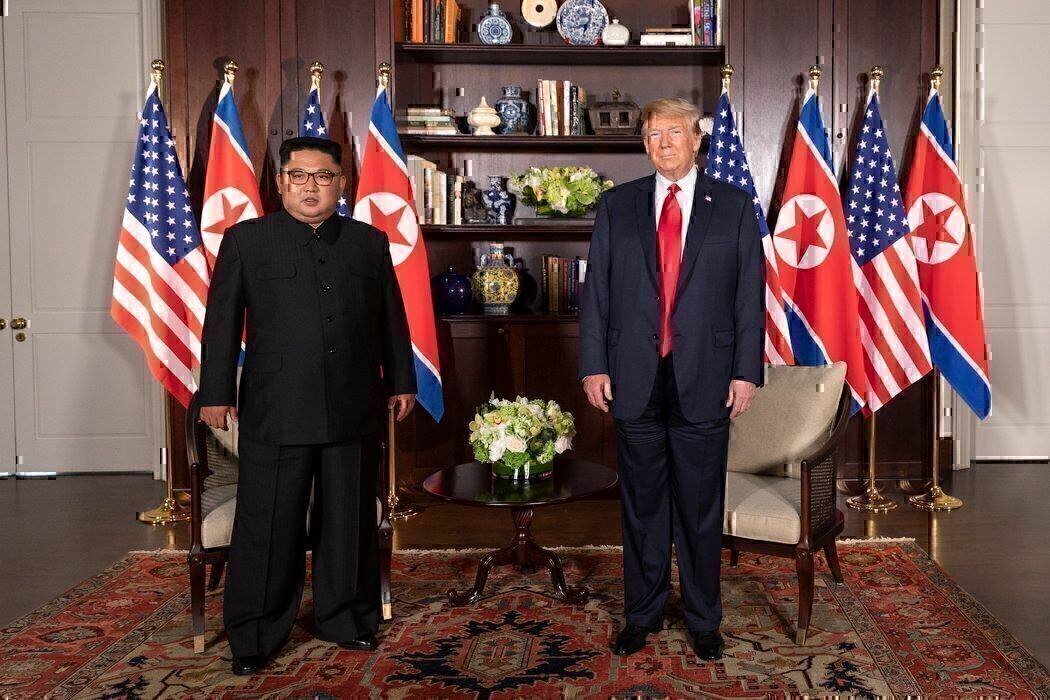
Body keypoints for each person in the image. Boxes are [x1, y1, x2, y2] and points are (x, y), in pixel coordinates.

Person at [197, 136, 416, 675]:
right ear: (281, 182)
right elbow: (221, 323)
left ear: (342, 183)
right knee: (268, 524)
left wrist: (402, 381)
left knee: (348, 521)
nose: (310, 186)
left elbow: (392, 317)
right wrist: (216, 392)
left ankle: (348, 619)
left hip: (353, 404)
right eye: (299, 176)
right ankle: (254, 634)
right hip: (277, 407)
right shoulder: (247, 240)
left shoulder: (368, 242)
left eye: (323, 177)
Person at [579, 98, 763, 661]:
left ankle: (705, 619)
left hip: (706, 377)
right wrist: (594, 364)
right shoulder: (618, 205)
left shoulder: (732, 206)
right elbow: (598, 294)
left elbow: (748, 297)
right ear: (644, 143)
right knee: (642, 506)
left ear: (697, 140)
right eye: (653, 134)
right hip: (633, 377)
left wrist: (745, 373)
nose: (663, 143)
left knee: (701, 507)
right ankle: (644, 613)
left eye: (674, 133)